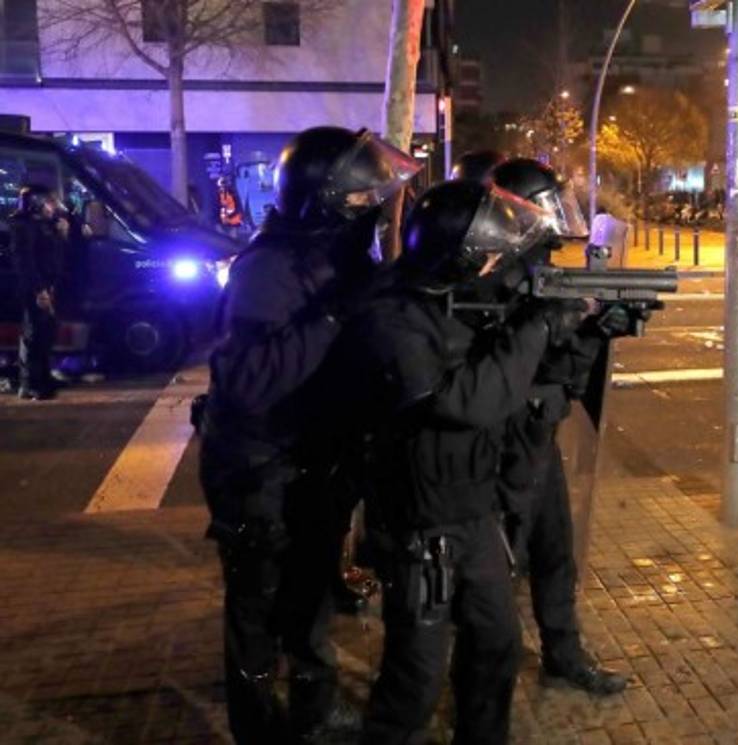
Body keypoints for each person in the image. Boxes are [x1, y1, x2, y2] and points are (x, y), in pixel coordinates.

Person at [325, 180, 585, 744]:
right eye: (492, 257)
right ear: (462, 257)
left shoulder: (448, 292)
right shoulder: (393, 317)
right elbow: (468, 401)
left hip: (470, 509)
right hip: (421, 522)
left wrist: (565, 323)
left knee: (497, 644)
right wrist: (535, 327)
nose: (498, 267)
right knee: (416, 673)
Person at [198, 126, 417, 744]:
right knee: (257, 613)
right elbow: (249, 381)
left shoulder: (335, 256)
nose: (370, 209)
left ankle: (314, 713)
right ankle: (258, 728)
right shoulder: (267, 269)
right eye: (359, 199)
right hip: (259, 471)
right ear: (325, 201)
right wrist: (335, 311)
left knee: (310, 598)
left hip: (313, 463)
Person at [483, 158, 631, 695]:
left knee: (555, 551)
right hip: (501, 443)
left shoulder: (538, 270)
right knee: (498, 564)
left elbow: (560, 371)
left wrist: (591, 329)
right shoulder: (490, 273)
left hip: (537, 437)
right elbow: (507, 368)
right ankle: (483, 675)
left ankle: (563, 653)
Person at [9, 185, 67, 401]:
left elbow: (53, 256)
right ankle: (33, 384)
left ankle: (42, 378)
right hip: (34, 288)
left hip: (47, 285)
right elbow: (25, 262)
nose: (54, 207)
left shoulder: (44, 225)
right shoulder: (23, 225)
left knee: (46, 332)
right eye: (50, 202)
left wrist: (61, 233)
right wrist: (39, 290)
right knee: (35, 335)